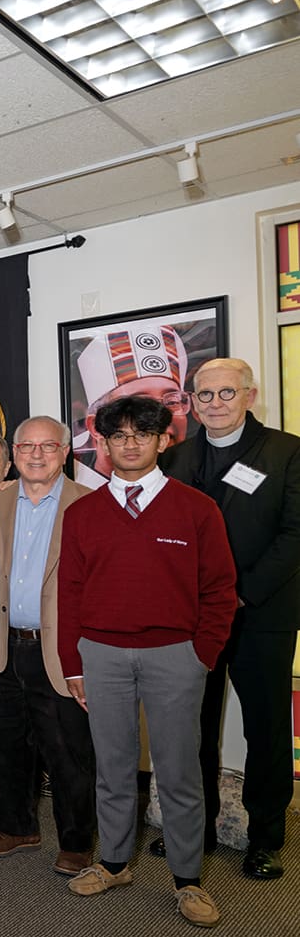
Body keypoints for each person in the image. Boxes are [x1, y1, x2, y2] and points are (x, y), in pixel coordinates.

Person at [59, 395, 238, 928]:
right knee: (112, 768)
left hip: (175, 657)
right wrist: (74, 663)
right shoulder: (83, 512)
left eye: (143, 433)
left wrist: (200, 654)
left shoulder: (196, 508)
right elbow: (69, 592)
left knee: (179, 771)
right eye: (118, 435)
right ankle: (114, 863)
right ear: (105, 445)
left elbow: (221, 590)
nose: (129, 443)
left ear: (165, 440)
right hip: (103, 655)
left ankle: (187, 880)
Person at [159, 357, 300, 881]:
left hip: (261, 614)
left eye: (226, 393)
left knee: (266, 729)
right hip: (189, 619)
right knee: (191, 728)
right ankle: (197, 830)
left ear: (249, 395)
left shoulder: (287, 452)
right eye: (204, 395)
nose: (214, 404)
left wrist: (238, 594)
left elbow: (294, 535)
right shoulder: (175, 458)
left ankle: (265, 839)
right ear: (191, 402)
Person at [0, 418, 98, 876]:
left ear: (66, 453)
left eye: (48, 446)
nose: (37, 454)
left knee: (68, 749)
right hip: (4, 646)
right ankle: (16, 826)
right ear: (15, 452)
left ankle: (77, 841)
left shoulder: (90, 505)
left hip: (62, 649)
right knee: (5, 744)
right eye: (27, 446)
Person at [72, 321, 191, 486]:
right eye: (140, 402)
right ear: (95, 427)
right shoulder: (81, 500)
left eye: (172, 401)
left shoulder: (194, 500)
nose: (161, 416)